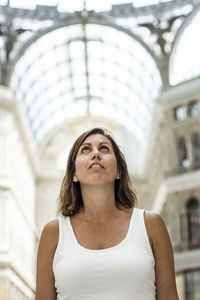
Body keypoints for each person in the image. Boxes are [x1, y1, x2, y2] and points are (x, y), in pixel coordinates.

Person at [35, 127, 179, 300]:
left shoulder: (151, 225)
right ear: (74, 174)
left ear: (118, 171)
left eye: (104, 148)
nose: (96, 154)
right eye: (86, 149)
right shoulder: (53, 233)